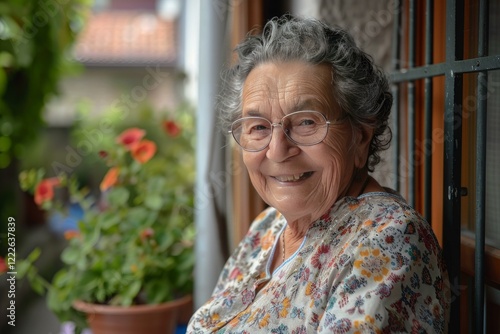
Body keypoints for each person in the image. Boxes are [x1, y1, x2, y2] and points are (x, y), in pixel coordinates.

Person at [187, 15, 450, 333]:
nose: (277, 151)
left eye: (306, 122)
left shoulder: (386, 242)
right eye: (257, 127)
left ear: (361, 136)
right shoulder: (267, 226)